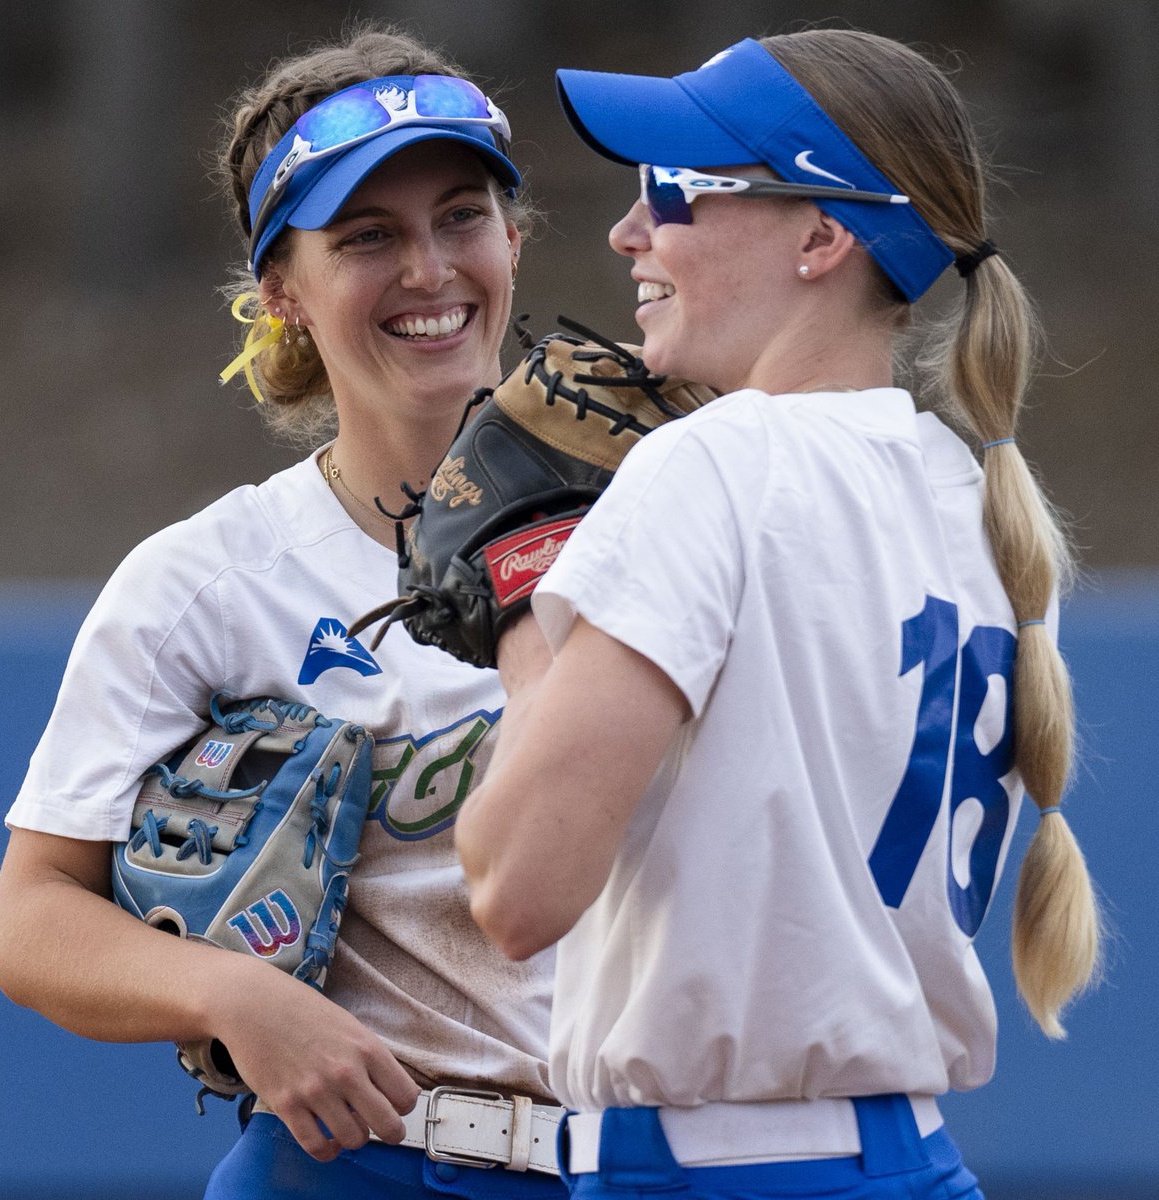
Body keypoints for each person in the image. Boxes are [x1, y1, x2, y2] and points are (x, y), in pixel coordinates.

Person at [455, 29, 1102, 1200]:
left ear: (823, 234)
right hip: (912, 1164)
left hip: (715, 1170)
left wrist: (517, 611)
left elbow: (516, 888)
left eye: (677, 189)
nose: (631, 230)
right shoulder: (979, 496)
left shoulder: (714, 466)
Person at [0, 22, 568, 1200]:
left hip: (668, 1163)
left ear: (513, 235)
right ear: (281, 294)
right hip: (369, 1168)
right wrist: (232, 994)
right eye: (367, 237)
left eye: (462, 215)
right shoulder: (212, 579)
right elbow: (31, 919)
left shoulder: (663, 519)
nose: (429, 270)